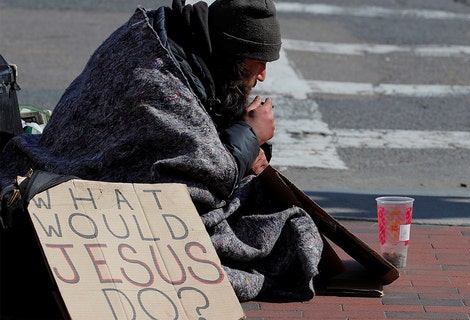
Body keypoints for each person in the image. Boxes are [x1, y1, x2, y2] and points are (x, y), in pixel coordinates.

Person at [0, 0, 323, 302]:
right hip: (87, 190)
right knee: (268, 234)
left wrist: (241, 138)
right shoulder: (161, 79)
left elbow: (186, 141)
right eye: (260, 63)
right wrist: (249, 134)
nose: (263, 75)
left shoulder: (163, 44)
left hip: (80, 171)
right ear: (234, 58)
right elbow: (196, 185)